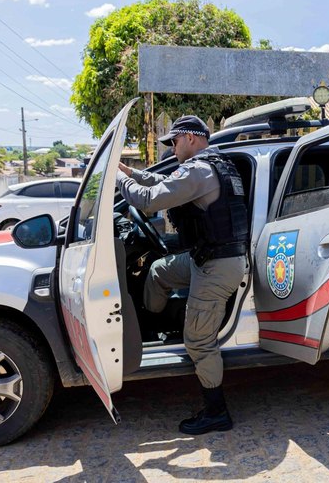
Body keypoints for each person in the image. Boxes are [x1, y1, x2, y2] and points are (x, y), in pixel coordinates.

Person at [116, 115, 249, 435]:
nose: (172, 148)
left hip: (217, 267)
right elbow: (160, 184)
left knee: (199, 342)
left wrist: (117, 181)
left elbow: (148, 200)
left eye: (174, 142)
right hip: (207, 258)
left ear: (191, 138)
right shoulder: (211, 165)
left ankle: (217, 412)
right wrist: (129, 172)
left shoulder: (199, 170)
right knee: (159, 271)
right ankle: (157, 324)